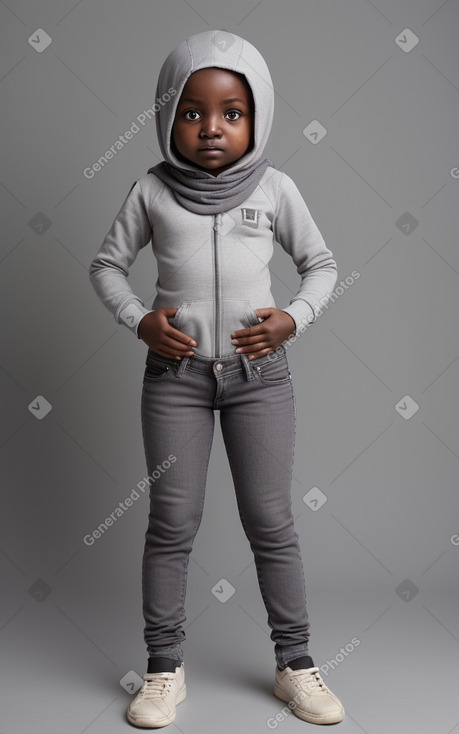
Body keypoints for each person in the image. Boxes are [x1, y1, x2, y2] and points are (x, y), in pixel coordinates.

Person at [89, 29, 344, 728]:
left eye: (231, 112)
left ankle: (295, 666)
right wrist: (139, 319)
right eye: (192, 112)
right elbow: (105, 266)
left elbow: (321, 265)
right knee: (172, 522)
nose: (210, 128)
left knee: (271, 521)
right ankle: (163, 670)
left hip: (260, 378)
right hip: (174, 379)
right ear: (167, 117)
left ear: (256, 116)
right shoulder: (151, 190)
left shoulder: (276, 188)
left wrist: (292, 318)